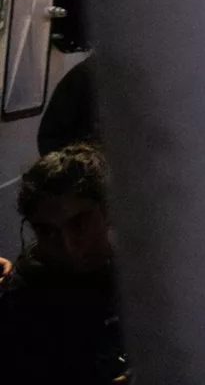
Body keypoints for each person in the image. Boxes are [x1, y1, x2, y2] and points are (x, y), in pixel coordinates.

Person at [0, 144, 129, 384]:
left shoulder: (143, 274)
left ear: (108, 211)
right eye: (47, 232)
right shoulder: (22, 302)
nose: (68, 246)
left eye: (79, 224)